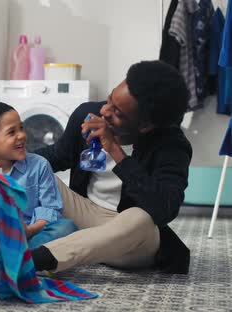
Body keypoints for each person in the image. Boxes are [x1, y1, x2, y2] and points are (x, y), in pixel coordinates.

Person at [32, 60, 192, 274]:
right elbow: (57, 156)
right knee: (33, 168)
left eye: (118, 112)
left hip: (131, 238)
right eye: (109, 100)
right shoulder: (87, 115)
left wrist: (116, 151)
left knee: (141, 217)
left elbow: (164, 208)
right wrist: (6, 158)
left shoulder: (172, 145)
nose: (105, 111)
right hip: (85, 215)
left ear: (145, 125)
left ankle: (37, 260)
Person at [0, 102, 78, 251]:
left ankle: (18, 259)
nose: (22, 135)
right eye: (11, 132)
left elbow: (50, 209)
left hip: (33, 235)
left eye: (21, 128)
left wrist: (29, 230)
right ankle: (21, 260)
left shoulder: (39, 165)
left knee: (67, 227)